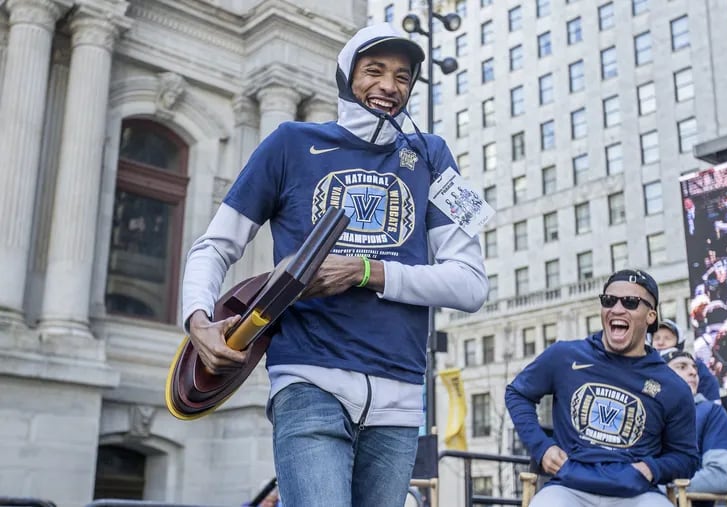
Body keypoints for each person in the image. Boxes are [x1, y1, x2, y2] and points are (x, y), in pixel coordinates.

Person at [181, 23, 488, 507]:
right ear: (347, 76)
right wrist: (198, 320)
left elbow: (471, 285)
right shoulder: (290, 143)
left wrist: (366, 271)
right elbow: (214, 246)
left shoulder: (432, 156)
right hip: (308, 380)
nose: (389, 86)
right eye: (374, 71)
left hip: (400, 399)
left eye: (402, 76)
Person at [505, 269, 699, 506]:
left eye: (630, 302)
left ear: (651, 316)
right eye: (609, 300)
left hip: (636, 494)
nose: (617, 309)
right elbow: (517, 393)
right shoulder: (564, 356)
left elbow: (687, 458)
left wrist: (652, 468)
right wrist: (542, 447)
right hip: (568, 487)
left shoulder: (672, 386)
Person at [660, 348, 727, 507]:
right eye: (682, 367)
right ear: (661, 375)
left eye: (694, 367)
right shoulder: (645, 413)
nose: (693, 372)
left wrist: (664, 486)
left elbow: (719, 476)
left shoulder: (712, 412)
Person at [648, 319, 721, 403]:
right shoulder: (646, 368)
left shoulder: (697, 366)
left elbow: (712, 399)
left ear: (679, 341)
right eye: (656, 338)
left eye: (667, 338)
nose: (661, 342)